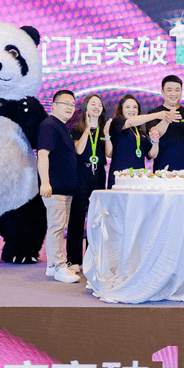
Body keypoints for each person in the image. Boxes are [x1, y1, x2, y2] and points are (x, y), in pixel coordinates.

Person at [37, 90, 81, 283]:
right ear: (54, 105)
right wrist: (45, 182)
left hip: (65, 188)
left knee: (58, 226)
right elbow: (43, 154)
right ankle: (59, 266)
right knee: (57, 228)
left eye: (72, 104)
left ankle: (51, 266)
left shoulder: (61, 126)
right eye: (66, 103)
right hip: (55, 188)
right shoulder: (49, 125)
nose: (70, 107)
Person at [66, 94, 107, 267]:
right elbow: (79, 150)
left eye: (99, 104)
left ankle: (92, 260)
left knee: (96, 220)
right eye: (92, 104)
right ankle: (74, 260)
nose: (96, 107)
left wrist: (107, 135)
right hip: (81, 176)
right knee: (77, 218)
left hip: (98, 177)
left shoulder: (104, 130)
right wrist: (87, 130)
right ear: (86, 108)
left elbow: (108, 153)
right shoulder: (77, 128)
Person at [103, 95, 162, 189]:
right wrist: (157, 115)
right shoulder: (117, 122)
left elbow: (152, 155)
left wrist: (155, 142)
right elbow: (130, 122)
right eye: (127, 107)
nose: (132, 110)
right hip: (119, 179)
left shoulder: (140, 132)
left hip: (138, 180)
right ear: (121, 109)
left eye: (135, 107)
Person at [148, 75, 184, 171]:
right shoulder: (154, 113)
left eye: (177, 90)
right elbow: (154, 133)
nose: (173, 93)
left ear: (181, 91)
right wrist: (167, 120)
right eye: (169, 90)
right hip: (161, 172)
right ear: (162, 91)